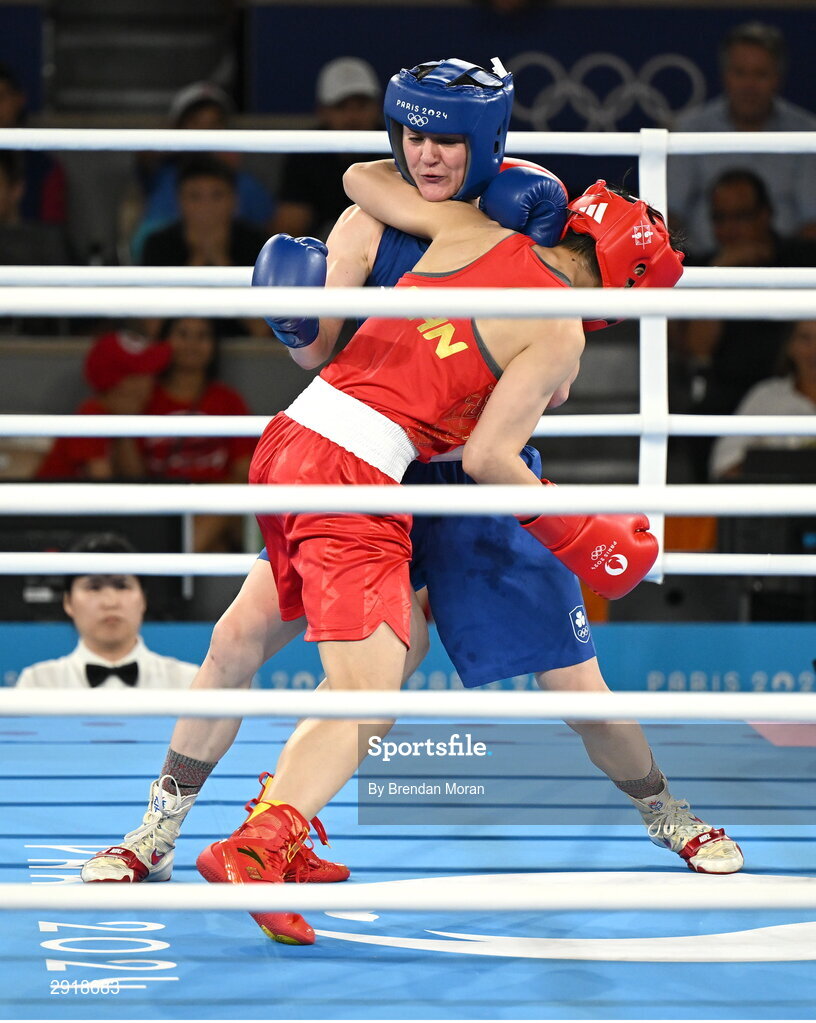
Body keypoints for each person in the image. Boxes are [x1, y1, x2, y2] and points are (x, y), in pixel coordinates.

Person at [81, 58, 740, 944]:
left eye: (448, 141)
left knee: (570, 679)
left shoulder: (488, 226)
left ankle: (669, 813)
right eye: (415, 138)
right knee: (258, 643)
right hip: (363, 471)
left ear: (488, 145)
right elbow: (320, 344)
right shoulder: (389, 213)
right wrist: (296, 312)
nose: (426, 158)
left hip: (420, 473)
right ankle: (167, 834)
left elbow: (515, 417)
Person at [670, 168, 816, 481]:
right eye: (720, 219)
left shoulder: (803, 258)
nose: (730, 229)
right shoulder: (700, 268)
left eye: (741, 217)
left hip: (801, 378)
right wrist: (720, 274)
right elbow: (698, 349)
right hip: (729, 389)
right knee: (700, 419)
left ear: (766, 215)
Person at [669, 21, 816, 254]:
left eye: (760, 74)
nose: (749, 85)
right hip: (702, 271)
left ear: (778, 78)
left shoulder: (808, 134)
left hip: (786, 271)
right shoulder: (689, 130)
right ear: (725, 75)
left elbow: (813, 222)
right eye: (740, 73)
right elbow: (666, 216)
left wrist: (774, 258)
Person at [16, 533, 198, 690]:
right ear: (68, 602)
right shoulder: (37, 684)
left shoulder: (188, 682)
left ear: (143, 598)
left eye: (122, 586)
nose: (110, 602)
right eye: (94, 587)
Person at [135, 317, 256, 553]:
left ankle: (166, 574)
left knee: (225, 504)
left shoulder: (227, 401)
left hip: (221, 507)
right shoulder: (144, 398)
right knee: (217, 548)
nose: (192, 344)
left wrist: (207, 500)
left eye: (202, 336)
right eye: (183, 334)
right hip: (161, 507)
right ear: (164, 341)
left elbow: (244, 473)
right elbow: (133, 475)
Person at [126, 82, 275, 262]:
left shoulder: (245, 183)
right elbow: (144, 154)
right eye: (195, 122)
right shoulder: (159, 173)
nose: (205, 131)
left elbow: (269, 230)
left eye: (214, 123)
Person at [140, 157, 269, 337]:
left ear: (234, 200)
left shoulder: (257, 244)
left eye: (217, 195)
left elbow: (261, 330)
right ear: (180, 201)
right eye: (195, 196)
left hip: (245, 352)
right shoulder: (158, 245)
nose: (206, 207)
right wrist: (197, 261)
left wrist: (221, 262)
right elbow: (153, 329)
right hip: (175, 355)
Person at [35, 324, 170, 481]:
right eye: (146, 373)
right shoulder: (90, 417)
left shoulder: (127, 419)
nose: (153, 381)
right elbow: (103, 488)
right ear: (123, 384)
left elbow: (136, 478)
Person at [271, 56, 383, 240]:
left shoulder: (395, 144)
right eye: (341, 107)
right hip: (322, 255)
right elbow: (289, 227)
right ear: (322, 111)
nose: (352, 117)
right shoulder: (306, 152)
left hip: (388, 251)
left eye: (361, 106)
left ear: (377, 108)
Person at [709, 319, 816, 479]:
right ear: (789, 346)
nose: (814, 350)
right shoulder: (766, 396)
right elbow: (723, 465)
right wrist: (773, 465)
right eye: (805, 338)